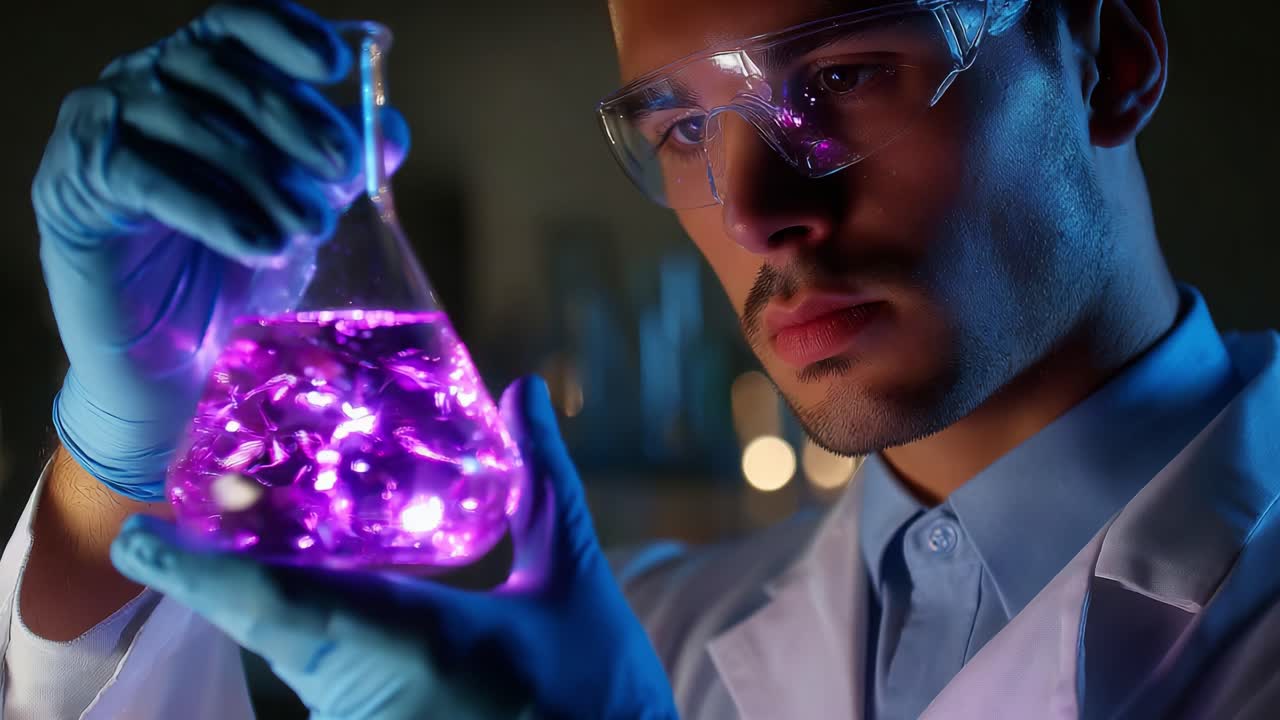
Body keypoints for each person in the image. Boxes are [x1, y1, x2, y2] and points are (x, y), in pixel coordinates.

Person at [5, 0, 1279, 717]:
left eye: (843, 75)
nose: (751, 208)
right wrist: (123, 461)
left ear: (1108, 58)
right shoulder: (655, 634)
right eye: (680, 128)